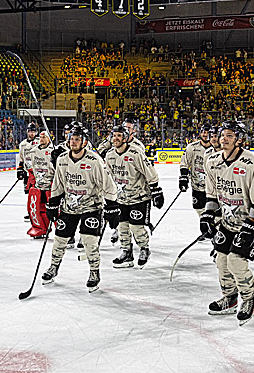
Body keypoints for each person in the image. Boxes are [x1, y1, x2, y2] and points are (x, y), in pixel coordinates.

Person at [200, 120, 254, 325]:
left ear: (239, 139)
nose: (224, 139)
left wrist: (251, 226)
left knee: (236, 261)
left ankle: (249, 299)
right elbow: (212, 194)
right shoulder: (212, 161)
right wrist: (208, 216)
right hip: (229, 220)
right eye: (223, 135)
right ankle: (230, 298)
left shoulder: (252, 164)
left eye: (230, 135)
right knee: (221, 261)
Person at [41, 123, 116, 291]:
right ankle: (53, 267)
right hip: (69, 207)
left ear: (84, 142)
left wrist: (112, 205)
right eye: (71, 139)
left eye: (77, 139)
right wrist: (53, 202)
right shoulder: (62, 159)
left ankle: (94, 272)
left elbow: (108, 185)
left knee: (89, 241)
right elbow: (58, 183)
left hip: (91, 206)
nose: (73, 142)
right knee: (59, 239)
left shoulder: (94, 160)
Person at [105, 124, 163, 268]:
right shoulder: (110, 155)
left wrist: (156, 190)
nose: (116, 138)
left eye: (119, 135)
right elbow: (108, 177)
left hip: (139, 197)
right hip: (121, 198)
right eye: (114, 135)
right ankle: (126, 252)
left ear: (125, 137)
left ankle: (144, 248)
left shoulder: (136, 153)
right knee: (121, 227)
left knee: (136, 227)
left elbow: (150, 172)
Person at [179, 124, 217, 222]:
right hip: (197, 186)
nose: (205, 134)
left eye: (208, 133)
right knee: (199, 209)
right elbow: (185, 163)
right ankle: (206, 231)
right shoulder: (192, 147)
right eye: (203, 132)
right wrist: (183, 177)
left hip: (213, 189)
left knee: (215, 213)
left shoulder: (216, 149)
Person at [26, 128, 56, 240]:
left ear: (49, 139)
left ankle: (60, 231)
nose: (42, 139)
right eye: (41, 137)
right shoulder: (33, 151)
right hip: (38, 186)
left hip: (51, 186)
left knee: (55, 210)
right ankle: (41, 227)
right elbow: (29, 166)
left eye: (44, 137)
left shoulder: (53, 151)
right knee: (37, 208)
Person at [18, 123, 39, 231]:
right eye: (30, 131)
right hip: (28, 173)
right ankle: (31, 211)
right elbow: (21, 158)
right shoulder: (22, 144)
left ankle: (38, 212)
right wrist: (20, 169)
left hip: (38, 173)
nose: (32, 133)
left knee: (39, 193)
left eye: (33, 131)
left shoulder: (40, 142)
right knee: (30, 193)